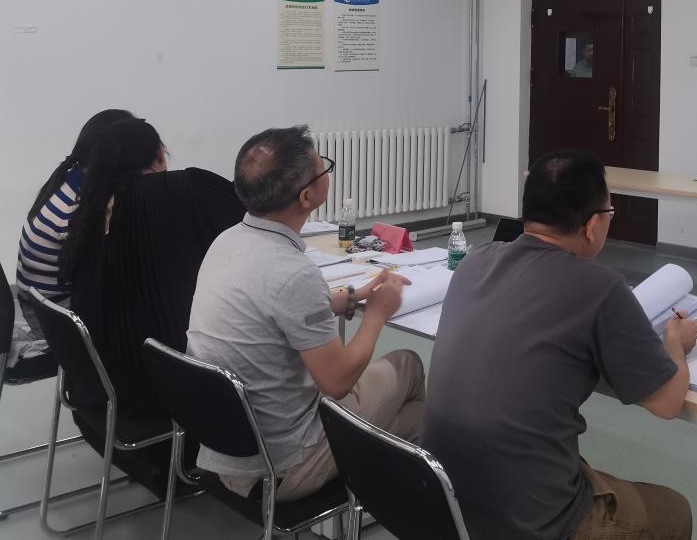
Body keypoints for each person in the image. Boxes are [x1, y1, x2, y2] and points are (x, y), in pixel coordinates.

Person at [422, 150, 696, 540]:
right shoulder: (600, 287)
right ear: (592, 226)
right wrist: (675, 342)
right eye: (609, 213)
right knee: (674, 511)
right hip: (533, 524)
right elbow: (668, 402)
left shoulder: (475, 260)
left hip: (446, 502)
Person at [186, 126, 425, 502]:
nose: (327, 172)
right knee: (409, 368)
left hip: (228, 448)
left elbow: (265, 307)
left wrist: (346, 298)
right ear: (307, 195)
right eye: (322, 167)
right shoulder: (293, 273)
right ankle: (408, 498)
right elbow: (337, 381)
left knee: (411, 419)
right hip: (281, 466)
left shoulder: (227, 240)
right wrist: (378, 313)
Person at [61, 117, 244, 416]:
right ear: (160, 154)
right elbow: (250, 224)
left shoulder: (90, 209)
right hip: (162, 387)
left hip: (105, 386)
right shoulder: (185, 187)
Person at [16, 108, 133, 303]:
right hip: (59, 311)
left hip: (40, 303)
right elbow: (107, 273)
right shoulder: (79, 207)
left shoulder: (71, 179)